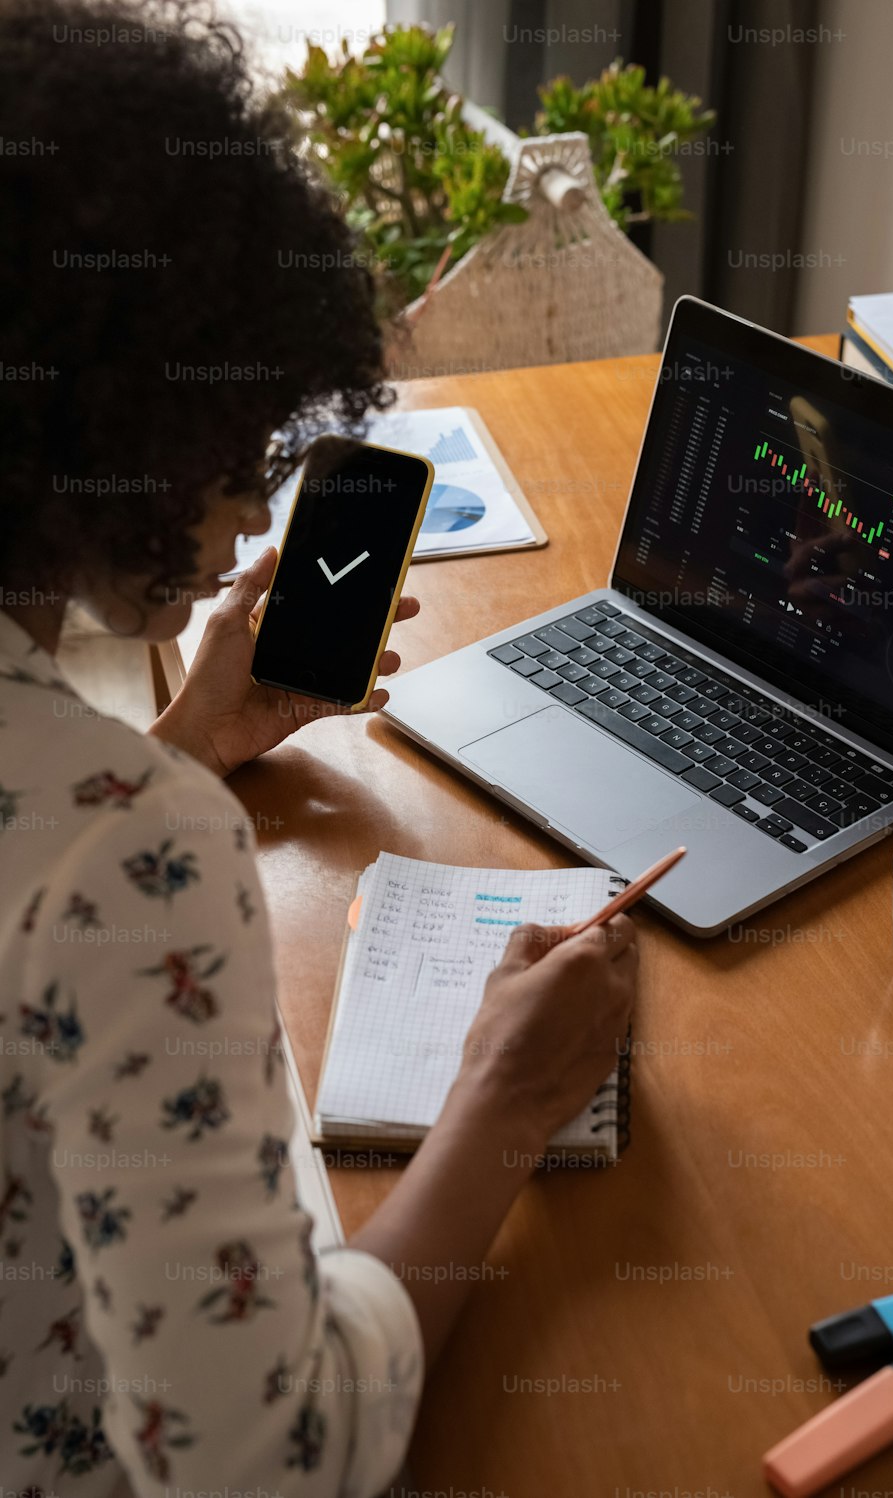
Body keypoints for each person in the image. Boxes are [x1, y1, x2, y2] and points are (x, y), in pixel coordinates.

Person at [0, 3, 639, 1494]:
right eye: (240, 431)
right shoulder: (132, 850)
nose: (251, 506)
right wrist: (500, 1098)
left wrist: (177, 741)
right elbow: (267, 1459)